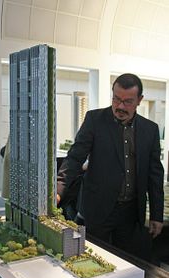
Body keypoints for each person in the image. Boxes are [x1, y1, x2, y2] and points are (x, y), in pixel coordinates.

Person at [57, 73, 164, 258]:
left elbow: (155, 175)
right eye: (116, 99)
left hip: (131, 215)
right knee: (90, 261)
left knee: (128, 264)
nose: (120, 106)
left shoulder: (150, 130)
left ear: (140, 100)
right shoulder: (94, 120)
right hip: (97, 211)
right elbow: (75, 158)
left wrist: (156, 214)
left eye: (128, 102)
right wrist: (59, 190)